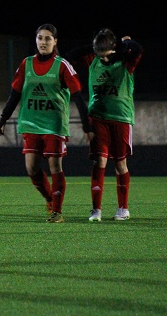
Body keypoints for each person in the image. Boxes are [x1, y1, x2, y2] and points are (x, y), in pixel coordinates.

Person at [0, 24, 92, 223]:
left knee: (55, 165)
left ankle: (57, 211)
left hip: (54, 125)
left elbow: (77, 96)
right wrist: (3, 118)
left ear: (55, 41)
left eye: (48, 38)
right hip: (31, 122)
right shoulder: (26, 63)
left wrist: (86, 125)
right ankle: (50, 198)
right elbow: (15, 93)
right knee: (31, 168)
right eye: (40, 38)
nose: (43, 42)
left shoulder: (62, 65)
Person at [64, 28, 144, 222]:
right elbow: (69, 57)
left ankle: (123, 208)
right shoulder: (93, 60)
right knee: (99, 161)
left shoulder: (125, 61)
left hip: (121, 118)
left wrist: (123, 43)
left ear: (114, 48)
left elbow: (138, 49)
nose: (104, 59)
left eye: (106, 54)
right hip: (98, 118)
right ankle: (96, 210)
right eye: (100, 54)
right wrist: (95, 47)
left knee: (120, 163)